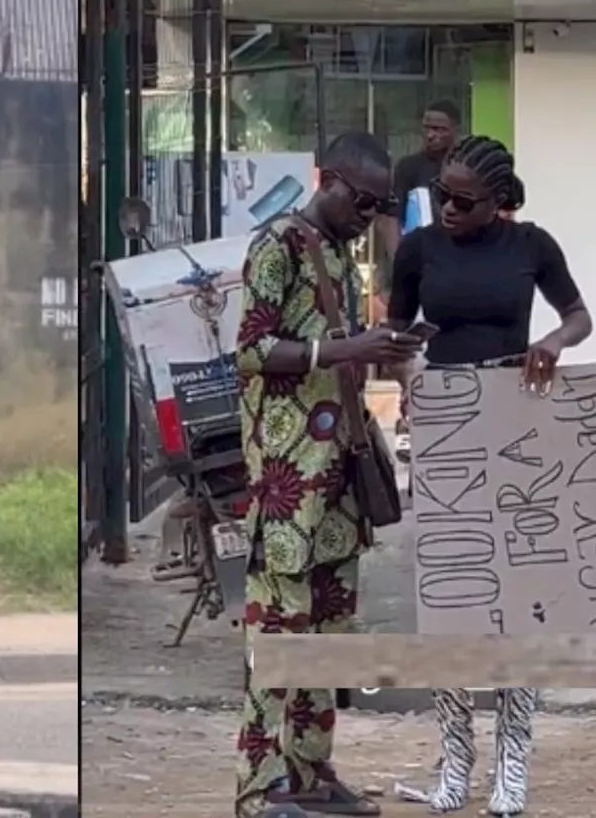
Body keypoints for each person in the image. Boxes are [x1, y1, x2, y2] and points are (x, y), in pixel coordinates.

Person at [386, 135, 592, 816]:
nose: (447, 207)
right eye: (442, 194)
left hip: (519, 428)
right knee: (451, 601)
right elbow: (395, 333)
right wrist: (407, 372)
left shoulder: (532, 245)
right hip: (447, 435)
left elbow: (577, 317)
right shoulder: (418, 250)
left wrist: (551, 344)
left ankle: (512, 769)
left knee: (523, 602)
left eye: (463, 199)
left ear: (499, 202)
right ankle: (454, 767)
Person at [234, 130, 423, 818]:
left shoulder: (340, 256)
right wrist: (345, 346)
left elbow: (336, 351)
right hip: (287, 483)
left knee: (329, 642)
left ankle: (312, 776)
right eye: (363, 201)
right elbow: (252, 350)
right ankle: (261, 791)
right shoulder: (275, 245)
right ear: (331, 181)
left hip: (337, 481)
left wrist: (387, 350)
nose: (368, 216)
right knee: (280, 642)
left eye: (379, 206)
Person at [374, 100, 460, 463]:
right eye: (427, 127)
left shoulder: (462, 169)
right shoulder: (409, 169)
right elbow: (388, 217)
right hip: (414, 273)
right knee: (406, 352)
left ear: (455, 130)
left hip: (452, 273)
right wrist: (401, 263)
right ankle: (409, 420)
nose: (432, 134)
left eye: (440, 128)